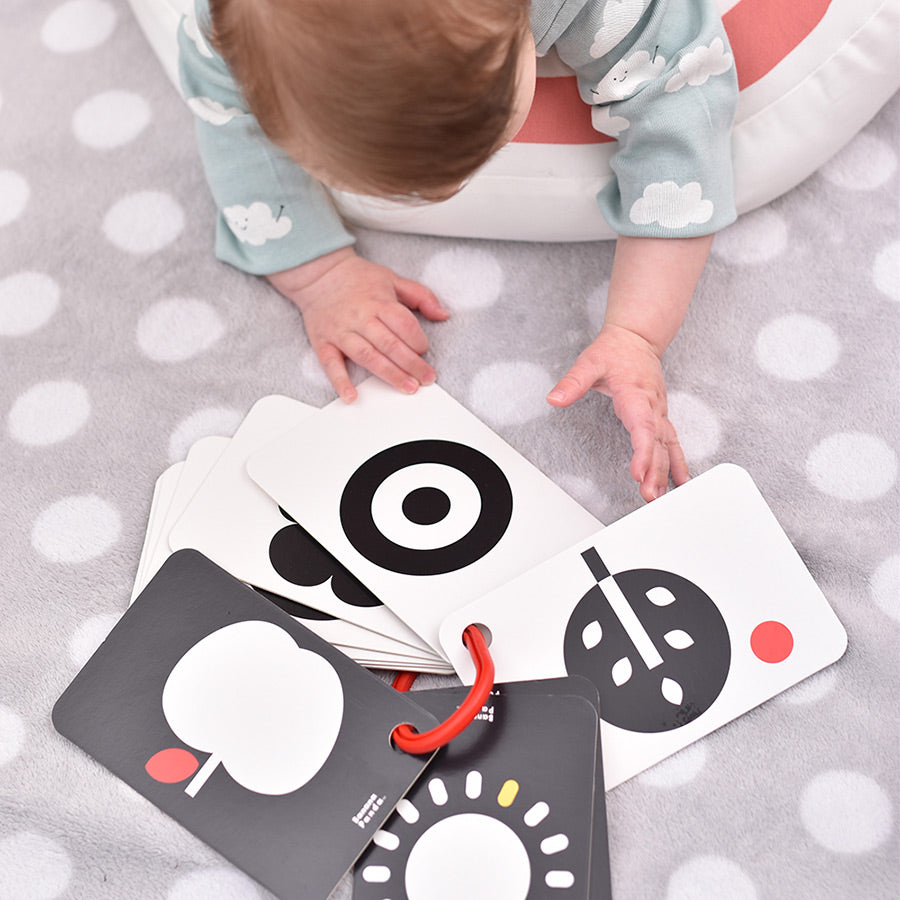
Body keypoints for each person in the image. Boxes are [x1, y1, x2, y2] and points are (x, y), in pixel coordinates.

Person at [178, 0, 738, 502]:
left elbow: (680, 96)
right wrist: (319, 275)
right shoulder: (230, 21)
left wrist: (637, 332)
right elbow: (225, 103)